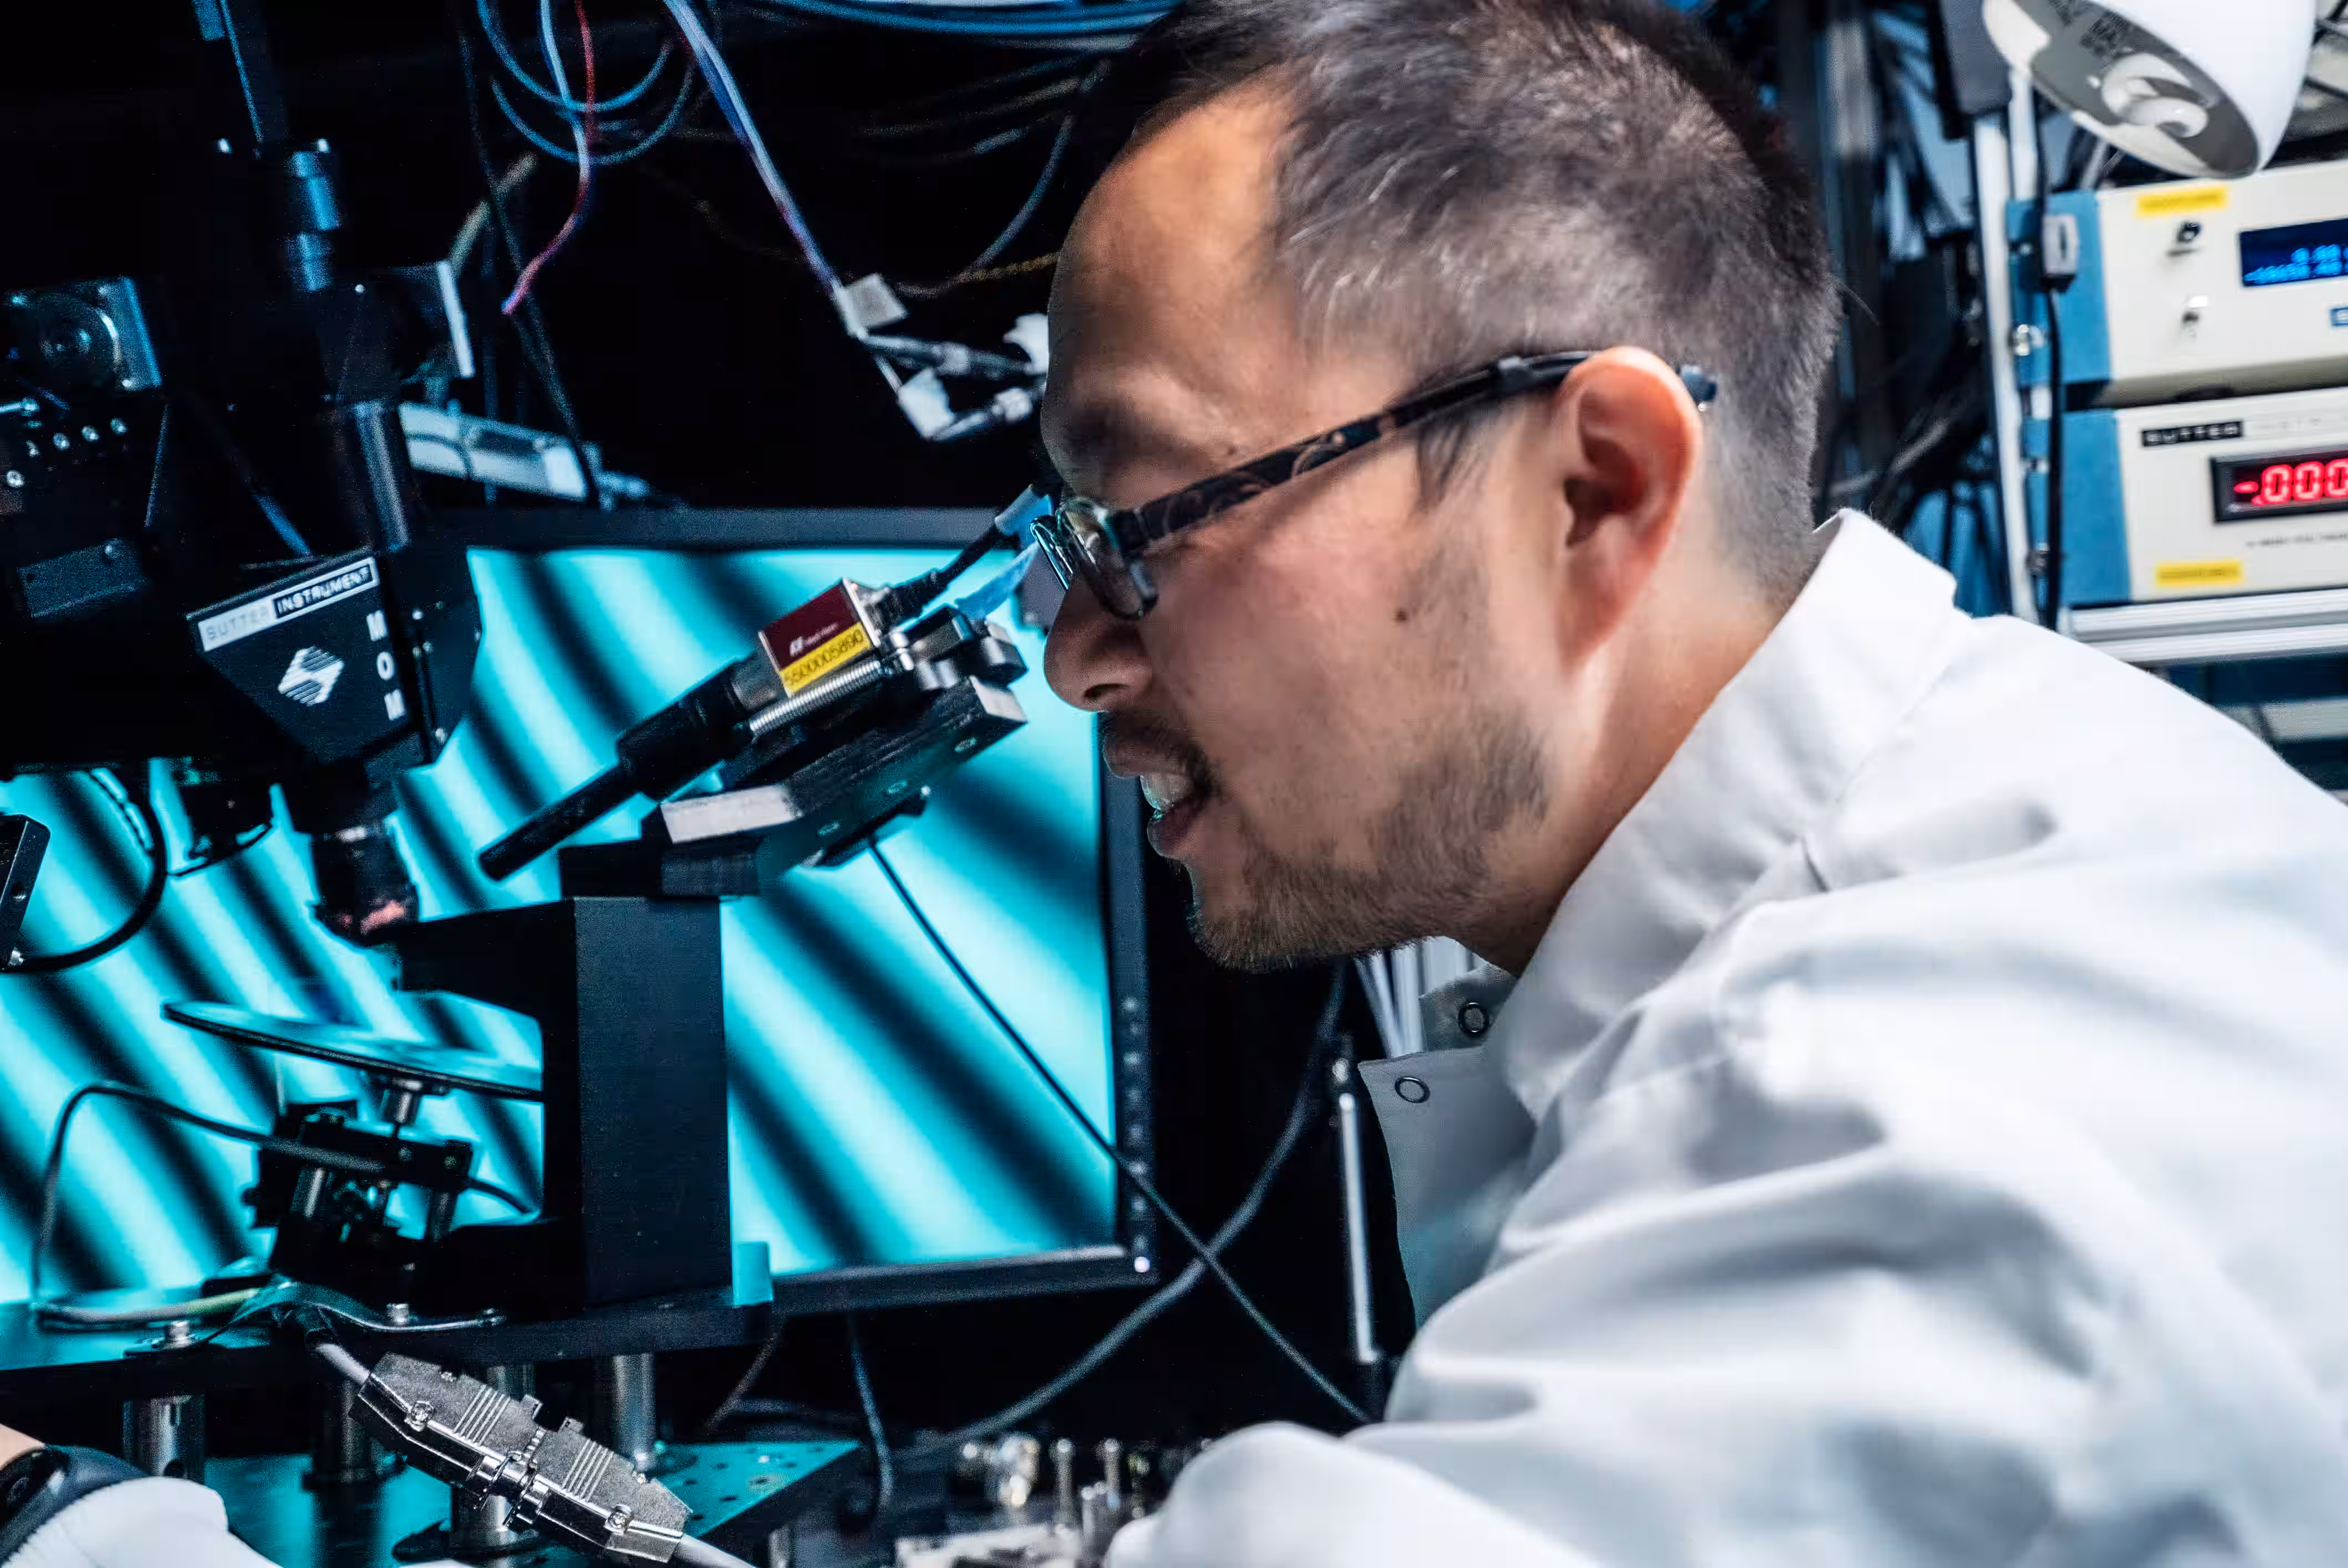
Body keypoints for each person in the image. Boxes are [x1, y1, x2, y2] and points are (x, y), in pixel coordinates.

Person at [1032, 1, 2348, 1564]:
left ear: (1596, 489)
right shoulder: (2037, 784)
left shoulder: (1888, 1112)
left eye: (1144, 520)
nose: (1076, 656)